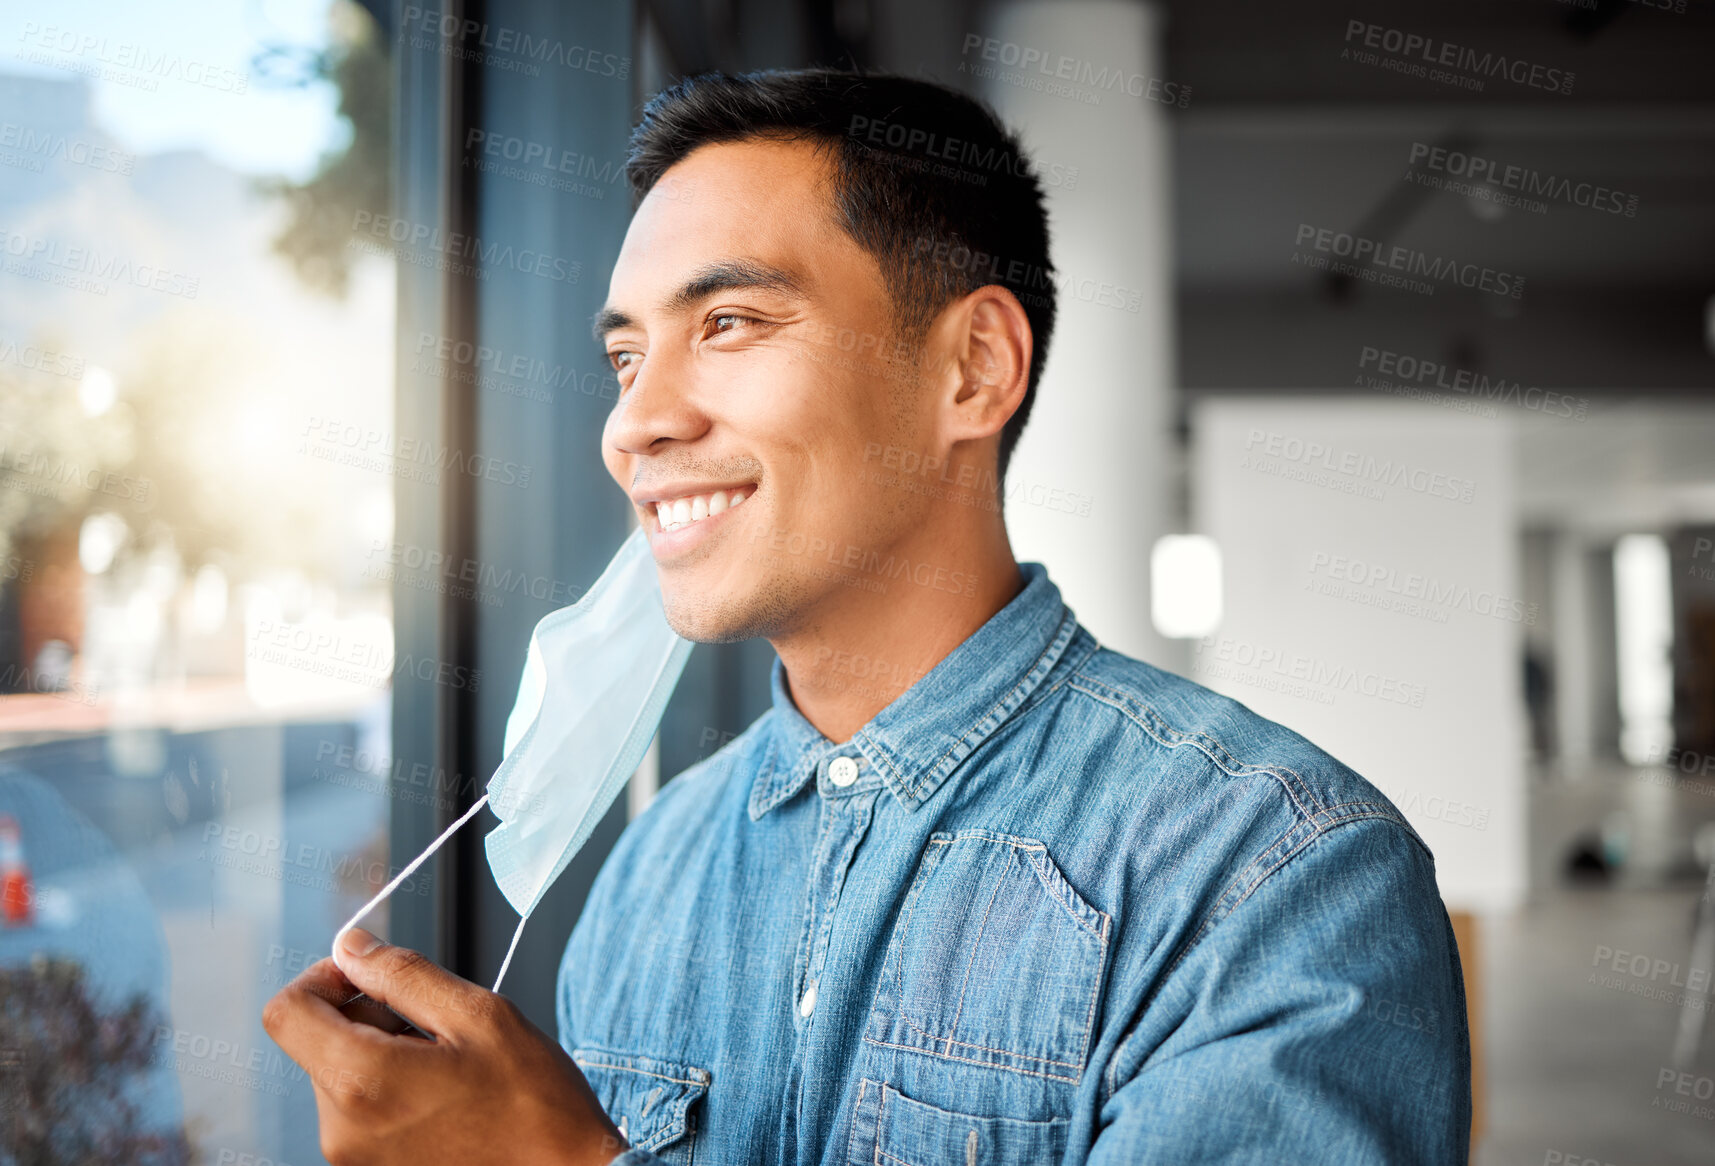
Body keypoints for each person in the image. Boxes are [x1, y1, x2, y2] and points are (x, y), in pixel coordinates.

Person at [263, 68, 1471, 1165]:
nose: (632, 424)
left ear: (973, 367)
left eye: (727, 323)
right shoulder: (650, 869)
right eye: (626, 358)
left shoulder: (1276, 875)